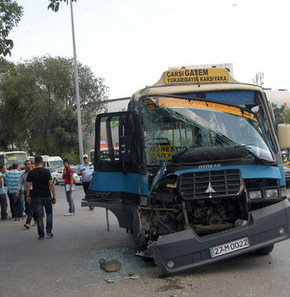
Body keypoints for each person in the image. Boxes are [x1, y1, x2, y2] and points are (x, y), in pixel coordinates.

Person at [26, 156, 56, 240]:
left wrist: (28, 196)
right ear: (42, 162)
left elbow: (28, 185)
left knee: (39, 216)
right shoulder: (46, 171)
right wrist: (54, 196)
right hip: (46, 195)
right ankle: (49, 232)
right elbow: (51, 184)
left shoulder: (32, 172)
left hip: (36, 196)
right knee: (49, 213)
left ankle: (41, 234)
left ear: (35, 163)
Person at [16, 160, 37, 229]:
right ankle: (36, 220)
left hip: (33, 191)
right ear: (25, 166)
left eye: (29, 164)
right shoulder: (23, 174)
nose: (28, 165)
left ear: (31, 165)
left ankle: (28, 223)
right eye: (26, 164)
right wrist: (18, 191)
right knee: (28, 207)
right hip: (26, 191)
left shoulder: (34, 172)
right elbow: (20, 183)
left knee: (31, 206)